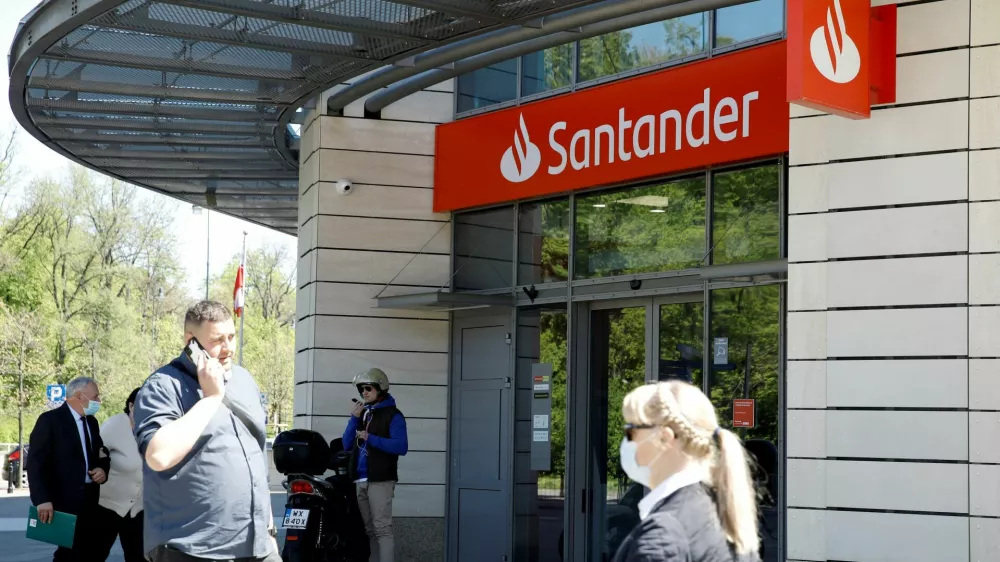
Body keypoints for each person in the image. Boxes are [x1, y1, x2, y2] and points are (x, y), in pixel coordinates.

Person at [133, 301, 277, 562]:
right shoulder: (163, 386)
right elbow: (158, 455)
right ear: (191, 341)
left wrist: (269, 531)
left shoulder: (244, 380)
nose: (229, 348)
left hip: (258, 547)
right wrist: (210, 399)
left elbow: (255, 456)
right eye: (217, 340)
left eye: (232, 337)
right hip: (192, 548)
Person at [612, 381, 759, 562]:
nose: (627, 442)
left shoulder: (664, 534)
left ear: (665, 438)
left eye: (631, 431)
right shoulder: (720, 510)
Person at [27, 376, 109, 562]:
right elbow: (35, 463)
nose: (98, 401)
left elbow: (101, 454)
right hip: (63, 502)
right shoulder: (50, 420)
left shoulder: (91, 423)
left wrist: (103, 470)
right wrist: (42, 500)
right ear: (80, 396)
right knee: (68, 554)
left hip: (90, 500)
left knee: (90, 551)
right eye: (95, 397)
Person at [342, 368, 408, 562]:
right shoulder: (363, 414)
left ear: (380, 388)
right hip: (360, 479)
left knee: (383, 530)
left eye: (368, 388)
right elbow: (346, 444)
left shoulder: (393, 415)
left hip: (380, 479)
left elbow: (401, 446)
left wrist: (371, 438)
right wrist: (354, 419)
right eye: (361, 389)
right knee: (370, 531)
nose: (364, 392)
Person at [93, 387, 145, 562]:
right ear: (131, 406)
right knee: (94, 554)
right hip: (108, 506)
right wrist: (100, 468)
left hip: (139, 509)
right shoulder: (114, 425)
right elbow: (94, 452)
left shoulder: (155, 427)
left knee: (139, 557)